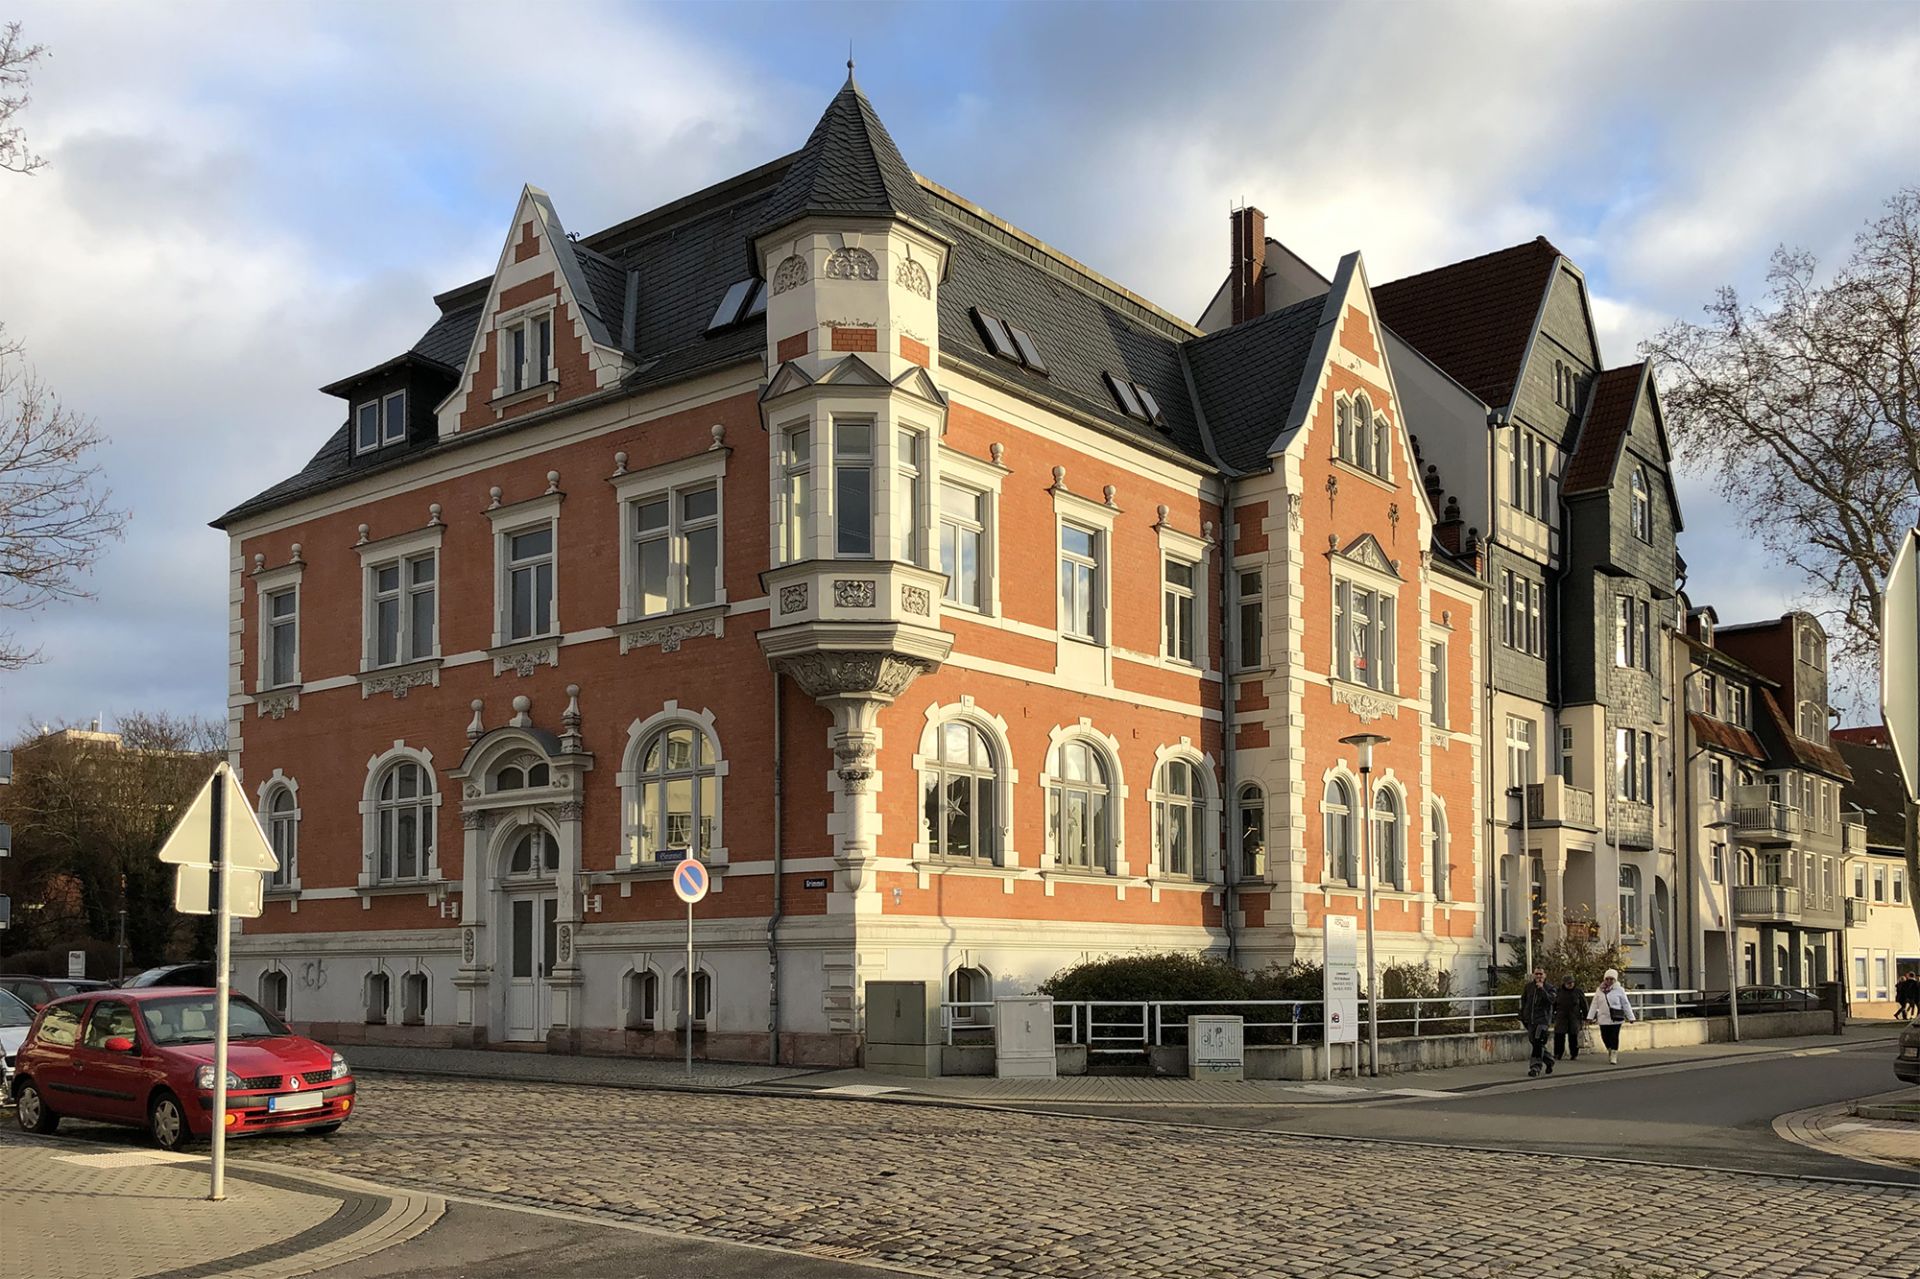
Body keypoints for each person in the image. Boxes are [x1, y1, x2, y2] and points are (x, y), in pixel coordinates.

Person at [1587, 967, 1636, 1063]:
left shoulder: (1619, 990)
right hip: (1603, 1018)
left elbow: (1625, 1003)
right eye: (1607, 979)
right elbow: (1594, 1004)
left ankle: (1614, 1054)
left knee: (1614, 1036)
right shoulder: (1599, 990)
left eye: (1611, 979)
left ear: (1615, 980)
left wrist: (1631, 1017)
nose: (1609, 981)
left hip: (1615, 1018)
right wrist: (1590, 1016)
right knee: (1605, 1036)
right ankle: (1609, 1049)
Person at [1519, 967, 1555, 1077]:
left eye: (1541, 974)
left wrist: (1542, 990)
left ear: (1545, 975)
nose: (1539, 976)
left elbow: (1551, 1000)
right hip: (1531, 1020)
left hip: (1542, 1020)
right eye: (1537, 974)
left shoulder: (1550, 988)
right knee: (1534, 1041)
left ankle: (1535, 1067)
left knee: (1538, 1042)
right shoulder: (1529, 987)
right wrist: (1522, 1015)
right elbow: (1524, 1001)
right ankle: (1549, 1060)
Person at [1552, 974, 1584, 1061]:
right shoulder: (1559, 991)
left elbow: (1584, 1004)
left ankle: (1574, 1054)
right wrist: (1551, 1016)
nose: (1570, 985)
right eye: (1568, 983)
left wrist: (1586, 1016)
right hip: (1561, 1017)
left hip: (1574, 1017)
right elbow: (1553, 1004)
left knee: (1573, 1036)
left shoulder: (1578, 991)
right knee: (1559, 1036)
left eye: (1572, 983)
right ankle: (1558, 1054)